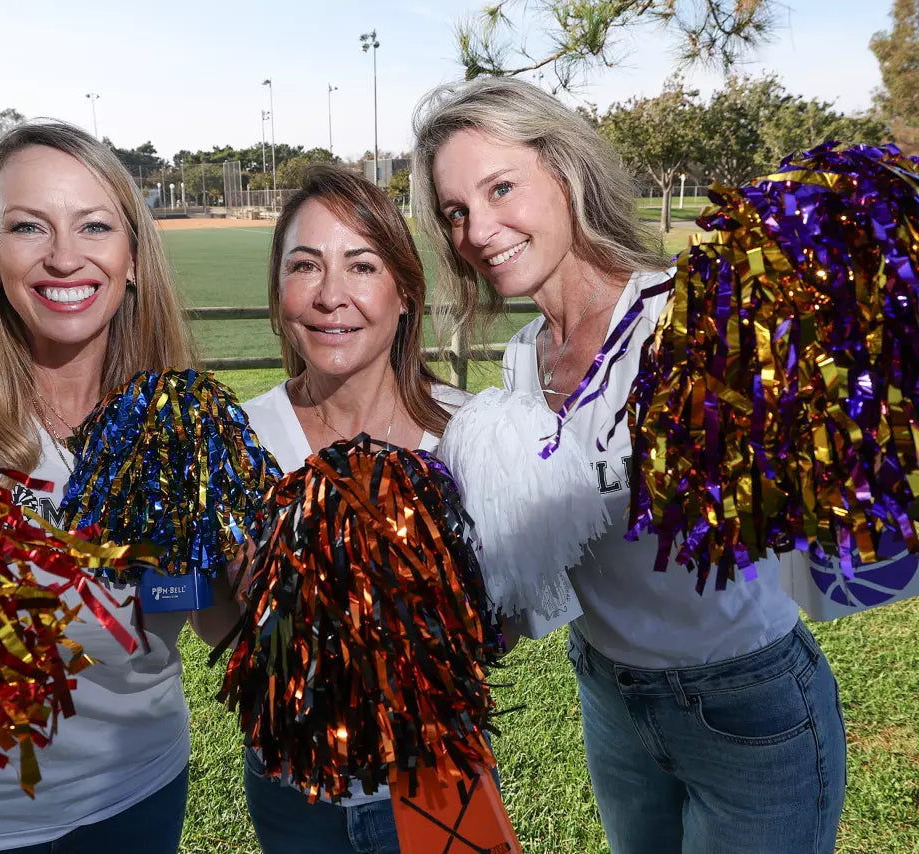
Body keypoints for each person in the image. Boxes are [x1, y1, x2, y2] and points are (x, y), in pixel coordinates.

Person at [411, 77, 847, 854]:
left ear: (566, 172)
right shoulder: (518, 364)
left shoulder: (690, 318)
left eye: (500, 187)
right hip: (611, 698)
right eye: (456, 212)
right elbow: (543, 570)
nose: (479, 229)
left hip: (747, 705)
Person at [0, 120, 203, 854]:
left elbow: (215, 619)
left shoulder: (178, 428)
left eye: (94, 225)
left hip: (138, 797)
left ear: (133, 256)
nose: (63, 257)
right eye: (27, 226)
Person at [235, 164, 471, 854]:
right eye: (304, 266)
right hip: (290, 788)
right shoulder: (239, 439)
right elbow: (218, 623)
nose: (331, 294)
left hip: (434, 778)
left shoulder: (470, 433)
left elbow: (512, 622)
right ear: (280, 295)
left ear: (404, 292)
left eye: (361, 265)